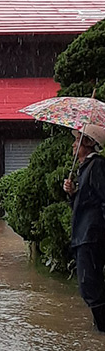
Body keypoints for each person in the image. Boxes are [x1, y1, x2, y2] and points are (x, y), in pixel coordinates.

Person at [63, 124, 105, 331]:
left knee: (89, 284)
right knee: (89, 285)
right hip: (83, 234)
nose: (73, 144)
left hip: (91, 235)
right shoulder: (84, 169)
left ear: (87, 144)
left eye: (77, 139)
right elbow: (84, 203)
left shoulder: (96, 166)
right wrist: (73, 194)